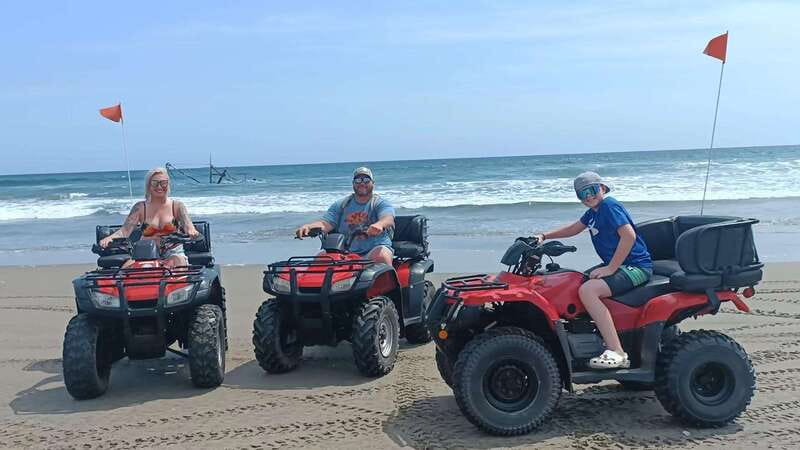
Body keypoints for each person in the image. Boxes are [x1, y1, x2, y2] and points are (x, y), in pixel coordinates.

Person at [534, 172, 652, 369]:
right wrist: (544, 236)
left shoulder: (609, 206)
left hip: (637, 266)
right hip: (622, 265)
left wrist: (611, 268)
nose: (588, 196)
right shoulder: (593, 213)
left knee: (588, 290)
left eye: (591, 190)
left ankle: (617, 351)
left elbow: (628, 236)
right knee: (576, 280)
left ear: (602, 188)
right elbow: (573, 229)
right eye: (582, 194)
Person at [99, 167, 200, 268]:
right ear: (148, 185)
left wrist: (192, 232)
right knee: (125, 270)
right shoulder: (140, 207)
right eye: (155, 183)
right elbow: (125, 231)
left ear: (168, 185)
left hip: (173, 252)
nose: (159, 187)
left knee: (175, 263)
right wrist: (110, 238)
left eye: (163, 183)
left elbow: (189, 226)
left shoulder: (177, 206)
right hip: (145, 253)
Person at [295, 167, 395, 265]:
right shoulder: (342, 204)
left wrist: (380, 224)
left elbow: (388, 218)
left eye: (366, 179)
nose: (362, 183)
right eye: (358, 180)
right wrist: (309, 227)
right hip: (346, 252)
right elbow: (326, 223)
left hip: (373, 249)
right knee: (320, 258)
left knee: (381, 255)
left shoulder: (379, 203)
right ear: (353, 184)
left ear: (373, 183)